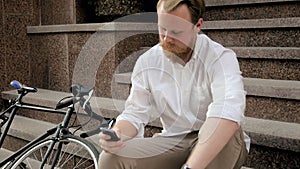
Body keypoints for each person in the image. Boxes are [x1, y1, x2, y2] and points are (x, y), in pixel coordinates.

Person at [98, 0, 250, 168]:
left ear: (198, 25)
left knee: (225, 127)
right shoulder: (148, 62)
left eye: (176, 31)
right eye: (162, 29)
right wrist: (117, 133)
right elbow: (135, 113)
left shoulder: (220, 57)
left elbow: (228, 110)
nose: (167, 38)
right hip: (175, 141)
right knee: (111, 158)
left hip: (220, 142)